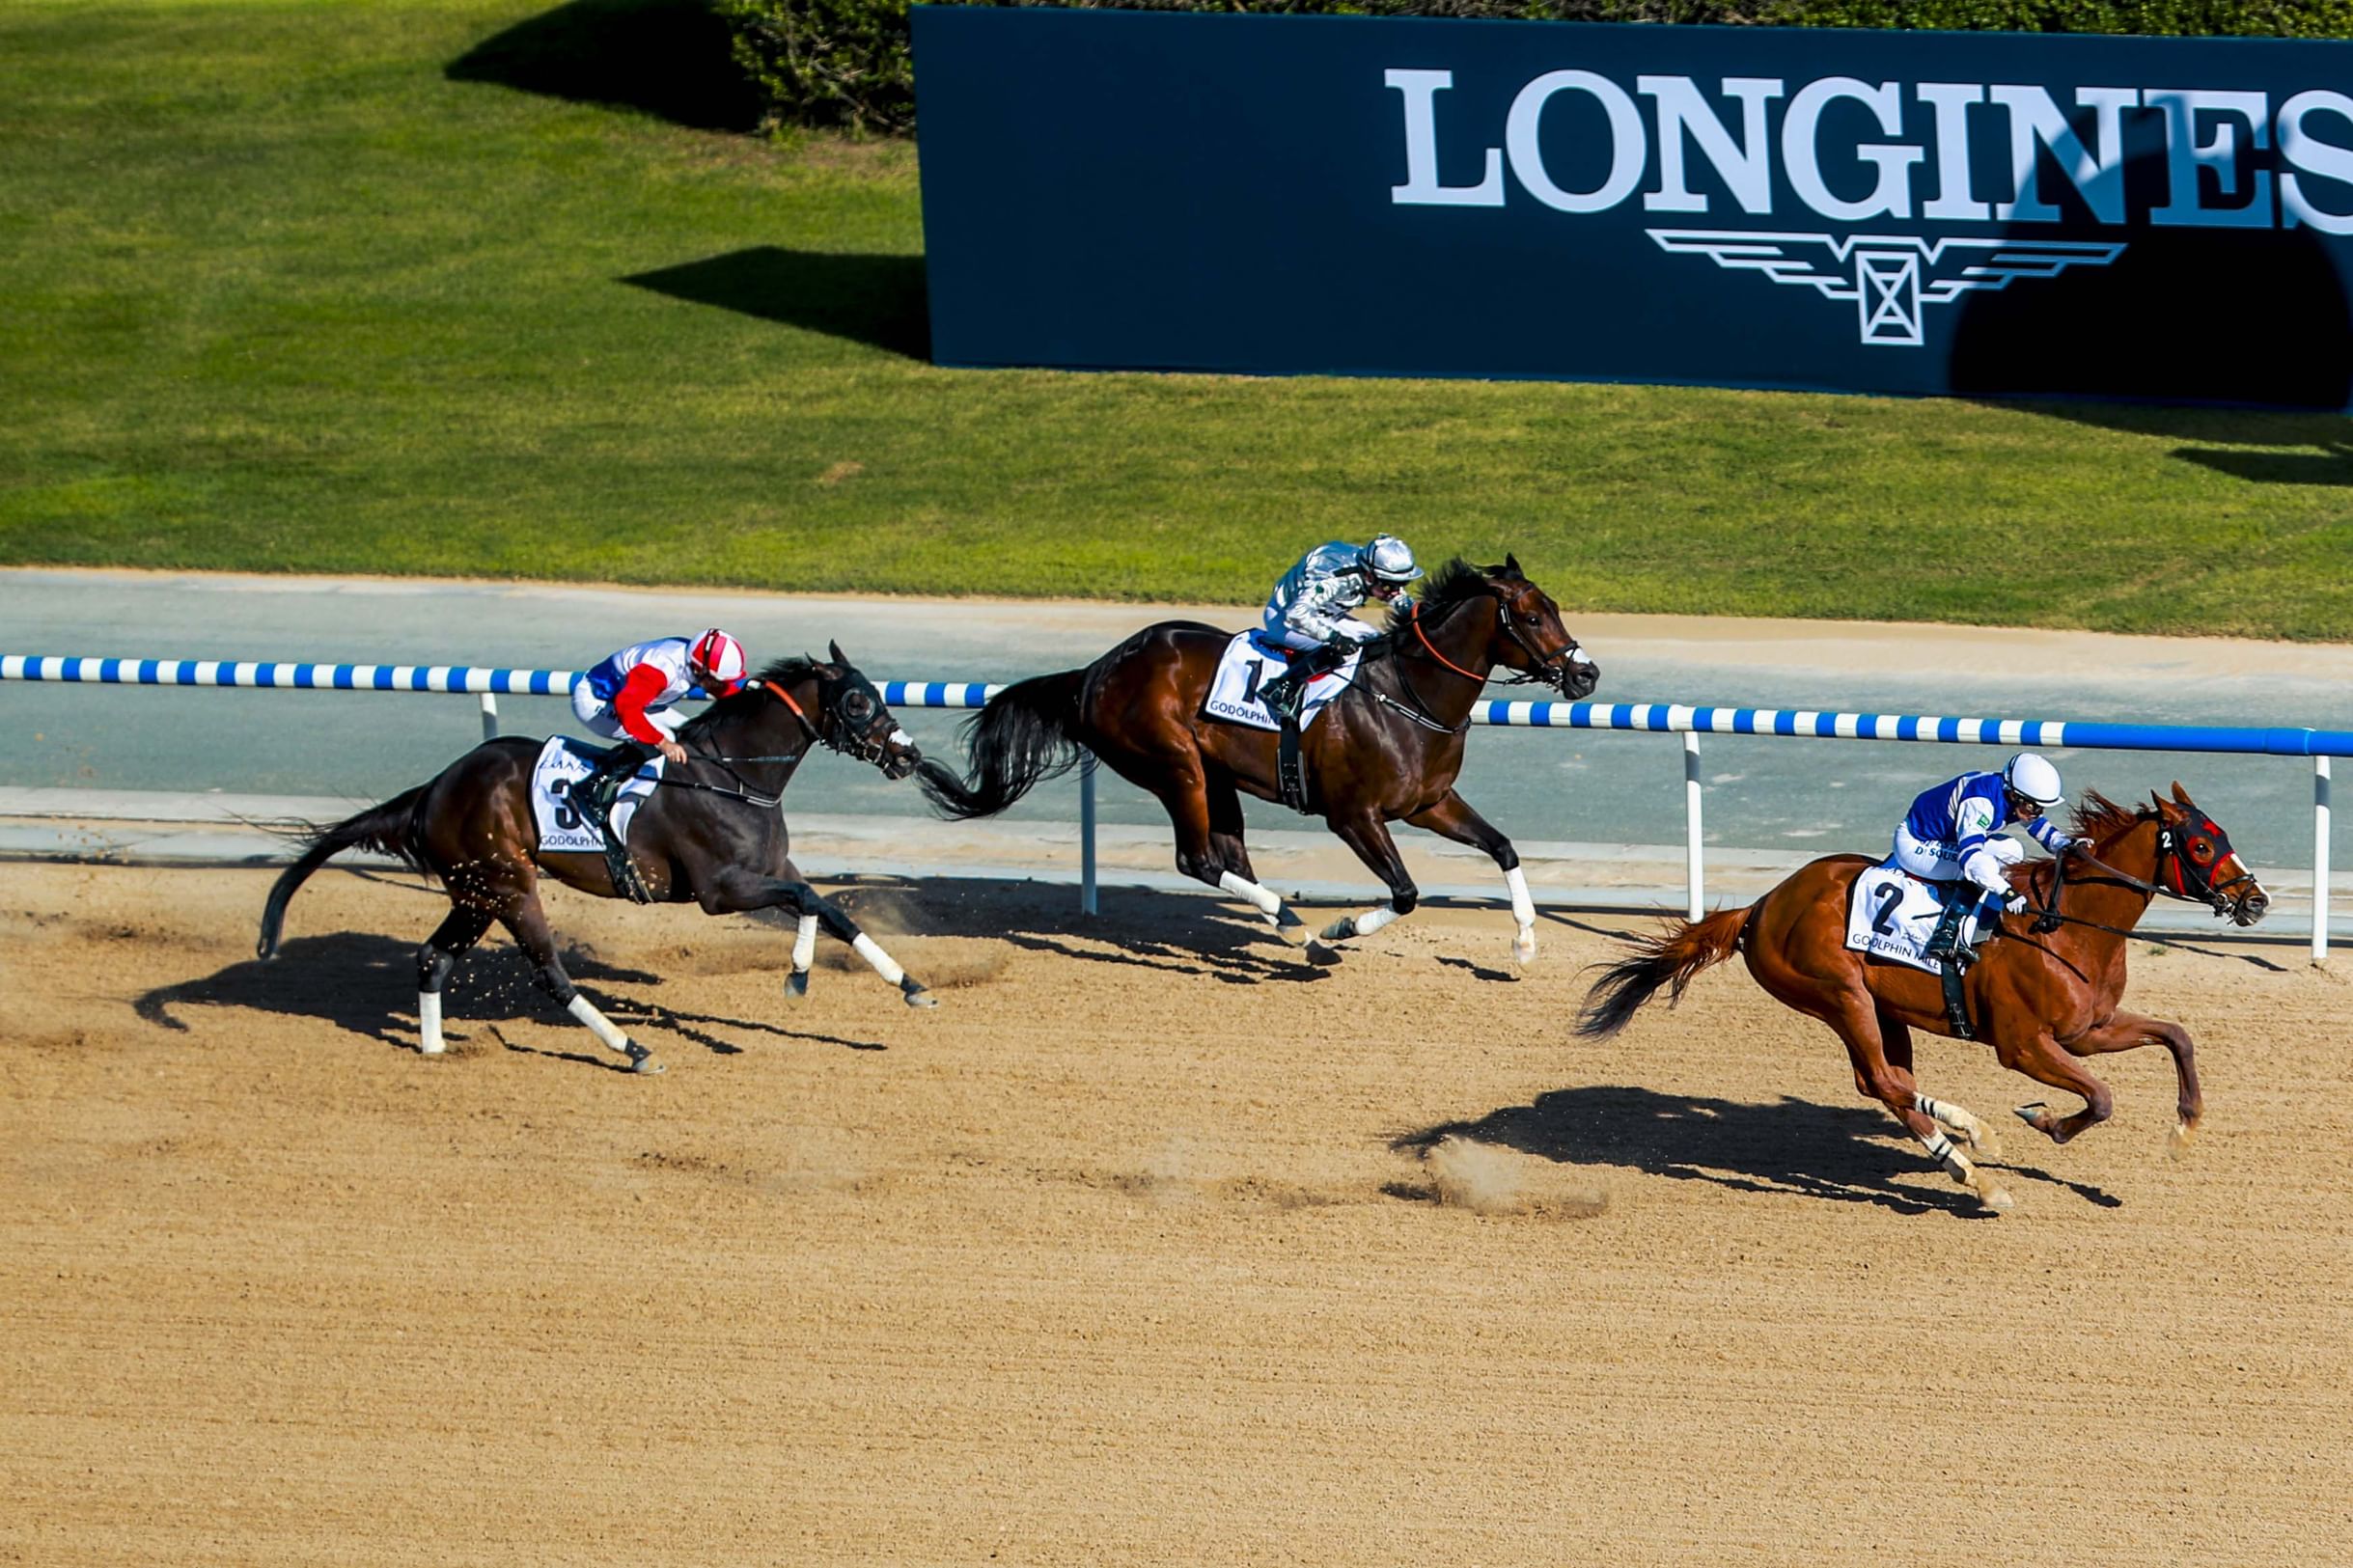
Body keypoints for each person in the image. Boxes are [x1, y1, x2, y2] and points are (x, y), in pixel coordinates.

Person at [1893, 751, 2080, 963]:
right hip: (1915, 844)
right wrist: (2006, 892)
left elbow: (2036, 825)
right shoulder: (1980, 803)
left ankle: (1984, 919)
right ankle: (1946, 933)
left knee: (2012, 850)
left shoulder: (2011, 795)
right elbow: (1970, 859)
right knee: (1985, 864)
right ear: (2014, 795)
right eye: (2032, 806)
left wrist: (2065, 845)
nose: (2036, 812)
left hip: (1946, 839)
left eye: (2041, 807)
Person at [567, 629, 750, 823]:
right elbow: (627, 709)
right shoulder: (660, 670)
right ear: (700, 670)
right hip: (597, 702)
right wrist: (661, 743)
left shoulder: (694, 661)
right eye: (719, 682)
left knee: (691, 737)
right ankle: (592, 788)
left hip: (634, 701)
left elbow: (726, 691)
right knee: (661, 742)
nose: (722, 686)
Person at [1254, 535, 1424, 721]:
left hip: (1324, 614)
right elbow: (1297, 614)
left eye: (1401, 585)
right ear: (1368, 576)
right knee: (1346, 650)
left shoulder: (1373, 573)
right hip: (1284, 619)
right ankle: (1282, 687)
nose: (1395, 592)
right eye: (1390, 586)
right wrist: (1334, 638)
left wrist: (1420, 614)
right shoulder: (1336, 579)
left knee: (1376, 642)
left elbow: (1399, 600)